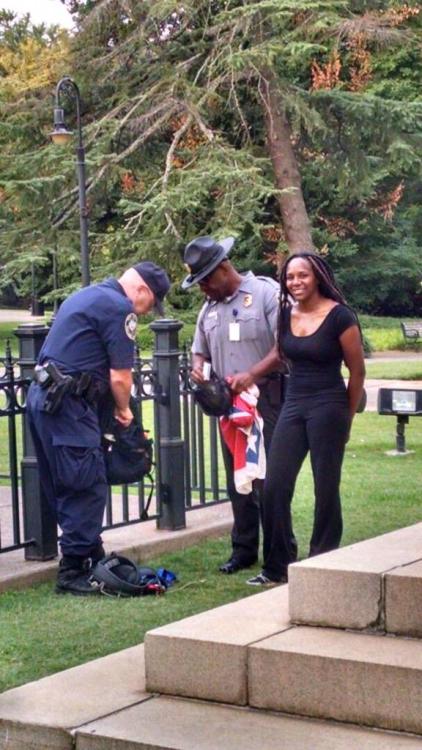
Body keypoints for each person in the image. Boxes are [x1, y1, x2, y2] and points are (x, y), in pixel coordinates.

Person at [26, 262, 170, 595]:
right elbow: (120, 376)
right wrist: (123, 411)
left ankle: (89, 553)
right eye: (150, 305)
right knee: (85, 481)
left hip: (45, 398)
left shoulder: (87, 294)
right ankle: (74, 571)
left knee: (65, 480)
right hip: (69, 404)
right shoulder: (120, 307)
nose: (146, 313)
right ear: (143, 291)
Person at [247, 251, 365, 586]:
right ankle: (277, 566)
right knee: (274, 485)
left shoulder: (341, 317)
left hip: (329, 405)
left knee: (326, 487)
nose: (295, 282)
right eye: (290, 276)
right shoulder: (286, 315)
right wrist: (249, 376)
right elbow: (281, 353)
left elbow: (357, 372)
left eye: (303, 275)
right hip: (294, 403)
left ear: (318, 277)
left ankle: (322, 560)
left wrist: (347, 418)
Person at [182, 235, 283, 574]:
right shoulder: (209, 309)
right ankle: (243, 551)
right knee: (238, 478)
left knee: (268, 479)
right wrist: (199, 367)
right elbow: (201, 349)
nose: (203, 289)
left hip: (268, 400)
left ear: (223, 268)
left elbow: (284, 348)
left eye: (205, 280)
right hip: (229, 406)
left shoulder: (266, 294)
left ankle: (279, 553)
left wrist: (251, 375)